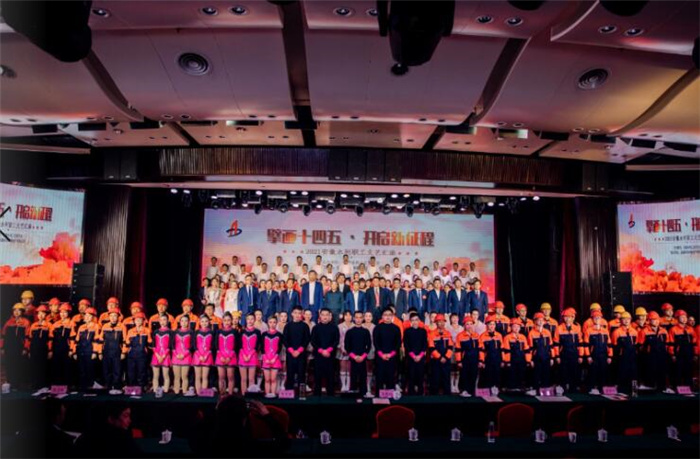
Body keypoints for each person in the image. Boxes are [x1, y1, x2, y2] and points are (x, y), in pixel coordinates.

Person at [191, 396, 290, 457]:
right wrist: (266, 416)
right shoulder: (252, 448)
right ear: (244, 420)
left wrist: (216, 410)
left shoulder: (206, 447)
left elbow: (195, 434)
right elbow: (284, 443)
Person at [75, 404, 139, 458]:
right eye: (125, 416)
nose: (130, 421)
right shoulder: (123, 439)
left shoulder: (84, 437)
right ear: (111, 419)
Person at [637, 311, 671, 393]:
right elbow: (640, 345)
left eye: (657, 319)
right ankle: (650, 387)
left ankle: (662, 388)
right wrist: (645, 354)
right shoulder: (644, 331)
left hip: (662, 355)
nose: (655, 321)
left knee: (662, 371)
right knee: (650, 371)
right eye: (653, 319)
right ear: (649, 321)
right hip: (650, 355)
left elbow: (667, 343)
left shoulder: (663, 331)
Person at [310, 308, 340, 396]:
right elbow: (313, 341)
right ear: (320, 316)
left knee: (330, 376)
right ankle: (317, 395)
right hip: (318, 355)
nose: (325, 317)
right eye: (323, 315)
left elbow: (336, 341)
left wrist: (328, 350)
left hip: (330, 355)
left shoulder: (334, 327)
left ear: (330, 316)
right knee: (317, 376)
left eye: (327, 315)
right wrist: (321, 351)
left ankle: (330, 395)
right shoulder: (316, 328)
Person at [373, 308, 402, 395]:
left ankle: (390, 397)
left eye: (389, 315)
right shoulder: (377, 328)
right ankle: (378, 396)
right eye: (385, 315)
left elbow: (398, 343)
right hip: (380, 357)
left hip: (392, 357)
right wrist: (382, 354)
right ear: (382, 316)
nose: (387, 317)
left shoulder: (396, 328)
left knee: (391, 377)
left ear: (392, 316)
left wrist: (390, 354)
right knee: (379, 377)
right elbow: (375, 342)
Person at [71, 307, 101, 391]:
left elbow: (97, 340)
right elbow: (77, 340)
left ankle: (91, 386)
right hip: (81, 351)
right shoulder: (81, 327)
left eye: (89, 316)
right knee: (81, 369)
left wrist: (95, 352)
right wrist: (74, 352)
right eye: (86, 315)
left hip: (90, 351)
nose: (87, 317)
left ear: (93, 317)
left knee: (90, 369)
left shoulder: (96, 326)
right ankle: (82, 387)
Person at [555, 308, 584, 393]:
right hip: (563, 353)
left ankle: (573, 388)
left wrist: (580, 355)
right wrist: (557, 356)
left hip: (574, 353)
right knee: (563, 371)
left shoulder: (577, 328)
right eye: (565, 317)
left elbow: (581, 343)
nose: (567, 319)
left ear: (573, 318)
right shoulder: (559, 328)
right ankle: (563, 387)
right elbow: (556, 344)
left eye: (569, 317)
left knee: (574, 370)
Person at [344, 311, 372, 396]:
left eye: (360, 317)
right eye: (357, 317)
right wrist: (354, 357)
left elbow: (369, 345)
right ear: (354, 318)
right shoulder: (349, 332)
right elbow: (347, 346)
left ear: (363, 318)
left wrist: (363, 356)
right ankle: (353, 394)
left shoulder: (366, 331)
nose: (358, 319)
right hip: (353, 358)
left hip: (363, 358)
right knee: (353, 377)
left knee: (363, 376)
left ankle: (364, 393)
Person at [99, 307, 126, 394]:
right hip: (106, 351)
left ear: (118, 317)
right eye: (111, 316)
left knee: (117, 370)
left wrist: (123, 352)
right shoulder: (105, 326)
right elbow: (100, 340)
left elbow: (125, 340)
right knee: (106, 370)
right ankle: (108, 387)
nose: (113, 318)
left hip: (117, 351)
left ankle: (117, 387)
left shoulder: (122, 326)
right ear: (109, 317)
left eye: (115, 316)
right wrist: (99, 352)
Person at [584, 310, 611, 395]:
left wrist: (610, 356)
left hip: (603, 355)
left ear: (601, 319)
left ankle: (602, 388)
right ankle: (591, 388)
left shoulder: (605, 331)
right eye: (595, 318)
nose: (597, 319)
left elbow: (609, 344)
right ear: (592, 319)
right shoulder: (588, 330)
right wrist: (588, 356)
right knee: (592, 372)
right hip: (593, 355)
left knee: (603, 372)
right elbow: (585, 345)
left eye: (598, 318)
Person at [527, 312, 555, 396]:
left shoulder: (547, 332)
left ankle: (545, 389)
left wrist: (552, 357)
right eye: (538, 320)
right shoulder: (531, 333)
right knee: (536, 374)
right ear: (535, 321)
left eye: (542, 320)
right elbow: (530, 348)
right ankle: (536, 389)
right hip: (536, 357)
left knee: (546, 373)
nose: (540, 322)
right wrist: (530, 360)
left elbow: (551, 346)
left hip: (546, 356)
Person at [283, 306, 311, 390]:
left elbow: (307, 339)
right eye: (295, 313)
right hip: (290, 354)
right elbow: (285, 340)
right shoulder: (288, 326)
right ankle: (289, 393)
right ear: (292, 314)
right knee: (290, 374)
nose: (297, 315)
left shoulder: (305, 326)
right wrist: (292, 351)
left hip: (301, 354)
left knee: (301, 374)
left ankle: (301, 394)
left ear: (302, 314)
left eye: (299, 313)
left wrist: (299, 351)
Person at [668, 309, 698, 389]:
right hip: (679, 354)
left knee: (689, 371)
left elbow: (694, 343)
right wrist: (672, 355)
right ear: (677, 318)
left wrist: (695, 354)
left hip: (689, 353)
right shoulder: (673, 329)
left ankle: (689, 388)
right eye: (682, 317)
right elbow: (671, 343)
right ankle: (677, 388)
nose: (684, 319)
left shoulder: (690, 329)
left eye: (685, 317)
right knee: (678, 371)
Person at [611, 311, 638, 395]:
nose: (626, 321)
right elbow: (614, 345)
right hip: (622, 356)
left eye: (628, 319)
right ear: (621, 320)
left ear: (630, 320)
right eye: (624, 319)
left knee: (633, 373)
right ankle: (621, 390)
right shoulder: (616, 332)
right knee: (622, 373)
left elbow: (636, 344)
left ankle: (633, 391)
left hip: (632, 356)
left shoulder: (634, 331)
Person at [123, 312, 150, 389]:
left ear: (143, 321)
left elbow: (150, 342)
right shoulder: (130, 331)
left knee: (142, 371)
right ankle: (132, 387)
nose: (138, 321)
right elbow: (127, 342)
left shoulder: (147, 330)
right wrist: (124, 352)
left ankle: (141, 387)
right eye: (136, 320)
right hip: (131, 355)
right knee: (131, 372)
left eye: (140, 320)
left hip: (142, 354)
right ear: (134, 321)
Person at [49, 303, 74, 386]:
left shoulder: (72, 323)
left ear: (68, 313)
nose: (63, 314)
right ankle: (57, 385)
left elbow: (73, 338)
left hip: (66, 348)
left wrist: (71, 349)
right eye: (61, 312)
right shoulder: (55, 324)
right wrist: (50, 350)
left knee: (67, 367)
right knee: (56, 366)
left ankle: (67, 385)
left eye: (65, 312)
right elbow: (51, 338)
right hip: (56, 348)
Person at [403, 312, 427, 395]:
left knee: (420, 376)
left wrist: (420, 356)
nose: (415, 322)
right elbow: (406, 345)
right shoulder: (407, 331)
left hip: (421, 357)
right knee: (411, 376)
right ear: (410, 321)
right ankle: (411, 393)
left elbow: (424, 344)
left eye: (416, 320)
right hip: (411, 357)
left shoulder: (423, 331)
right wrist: (413, 356)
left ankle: (420, 393)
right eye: (412, 320)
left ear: (419, 321)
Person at [428, 314, 454, 395]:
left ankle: (447, 397)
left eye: (443, 321)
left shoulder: (448, 333)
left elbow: (450, 347)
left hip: (446, 361)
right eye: (439, 321)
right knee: (435, 380)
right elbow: (431, 348)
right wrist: (440, 358)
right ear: (436, 323)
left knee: (446, 380)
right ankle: (434, 398)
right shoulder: (431, 334)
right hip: (435, 361)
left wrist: (445, 357)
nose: (441, 323)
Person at [503, 318, 530, 392]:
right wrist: (507, 361)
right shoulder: (507, 337)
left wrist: (528, 360)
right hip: (512, 359)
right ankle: (511, 388)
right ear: (511, 327)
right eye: (514, 326)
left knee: (521, 373)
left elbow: (526, 350)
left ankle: (521, 387)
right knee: (512, 373)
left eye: (518, 326)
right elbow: (506, 351)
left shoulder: (523, 337)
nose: (516, 328)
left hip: (521, 359)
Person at [456, 316, 480, 397]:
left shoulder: (476, 335)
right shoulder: (460, 336)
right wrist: (459, 361)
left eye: (471, 324)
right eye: (467, 324)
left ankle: (472, 391)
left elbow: (481, 349)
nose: (469, 326)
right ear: (464, 325)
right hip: (465, 359)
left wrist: (481, 360)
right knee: (464, 375)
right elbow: (458, 350)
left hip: (475, 359)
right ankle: (464, 390)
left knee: (473, 375)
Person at [215, 312, 238, 396]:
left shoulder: (234, 331)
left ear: (231, 321)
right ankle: (222, 395)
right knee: (221, 377)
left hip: (231, 357)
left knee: (230, 377)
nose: (227, 322)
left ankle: (230, 395)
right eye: (225, 320)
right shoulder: (219, 331)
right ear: (222, 321)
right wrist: (220, 356)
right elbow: (216, 345)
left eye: (228, 320)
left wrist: (229, 357)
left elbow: (236, 345)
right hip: (220, 356)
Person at [478, 316, 503, 389]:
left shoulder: (499, 335)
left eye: (493, 324)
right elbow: (481, 351)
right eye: (490, 324)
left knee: (497, 374)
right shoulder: (482, 336)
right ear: (487, 325)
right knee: (487, 374)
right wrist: (481, 361)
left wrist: (503, 360)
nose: (492, 326)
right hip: (487, 359)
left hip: (497, 359)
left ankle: (496, 387)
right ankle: (487, 389)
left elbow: (502, 349)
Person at [239, 313, 262, 394]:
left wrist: (250, 355)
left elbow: (258, 345)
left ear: (254, 320)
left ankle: (250, 396)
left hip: (252, 356)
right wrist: (244, 355)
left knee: (251, 379)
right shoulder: (242, 331)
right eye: (248, 319)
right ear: (246, 320)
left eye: (252, 319)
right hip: (242, 356)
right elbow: (239, 345)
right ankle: (243, 395)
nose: (250, 321)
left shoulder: (257, 332)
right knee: (243, 379)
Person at [172, 314, 194, 395]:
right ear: (180, 322)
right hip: (176, 356)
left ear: (188, 322)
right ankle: (176, 393)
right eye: (182, 321)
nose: (184, 323)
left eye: (186, 321)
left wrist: (184, 355)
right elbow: (172, 345)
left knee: (184, 376)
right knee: (177, 377)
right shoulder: (175, 332)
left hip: (186, 356)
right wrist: (176, 354)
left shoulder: (191, 332)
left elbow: (192, 345)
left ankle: (184, 392)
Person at [151, 314, 172, 393]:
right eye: (161, 320)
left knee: (166, 375)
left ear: (167, 321)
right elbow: (153, 345)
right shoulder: (156, 331)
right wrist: (157, 355)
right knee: (155, 375)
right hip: (156, 355)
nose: (162, 321)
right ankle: (155, 389)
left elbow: (170, 346)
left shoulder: (170, 332)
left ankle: (165, 390)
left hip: (165, 355)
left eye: (164, 320)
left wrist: (163, 356)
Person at [337, 311, 353, 392]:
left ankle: (348, 385)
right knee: (343, 367)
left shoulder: (354, 326)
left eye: (350, 315)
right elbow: (338, 338)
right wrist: (342, 348)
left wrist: (351, 350)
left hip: (352, 351)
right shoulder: (339, 326)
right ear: (343, 317)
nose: (348, 317)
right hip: (342, 350)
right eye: (346, 315)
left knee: (349, 368)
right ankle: (343, 385)